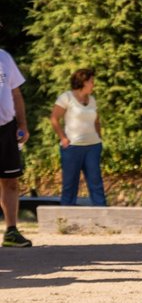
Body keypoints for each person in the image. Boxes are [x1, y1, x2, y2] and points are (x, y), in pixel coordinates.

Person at [50, 68, 107, 206]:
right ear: (83, 82)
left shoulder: (92, 100)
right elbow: (54, 119)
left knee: (96, 183)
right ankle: (65, 220)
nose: (93, 84)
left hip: (93, 147)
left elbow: (96, 121)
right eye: (91, 81)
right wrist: (63, 138)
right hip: (72, 148)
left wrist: (99, 138)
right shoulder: (66, 97)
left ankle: (104, 218)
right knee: (70, 185)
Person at [0, 42, 31, 247]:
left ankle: (11, 231)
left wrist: (22, 124)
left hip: (6, 128)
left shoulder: (4, 57)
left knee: (10, 180)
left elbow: (16, 94)